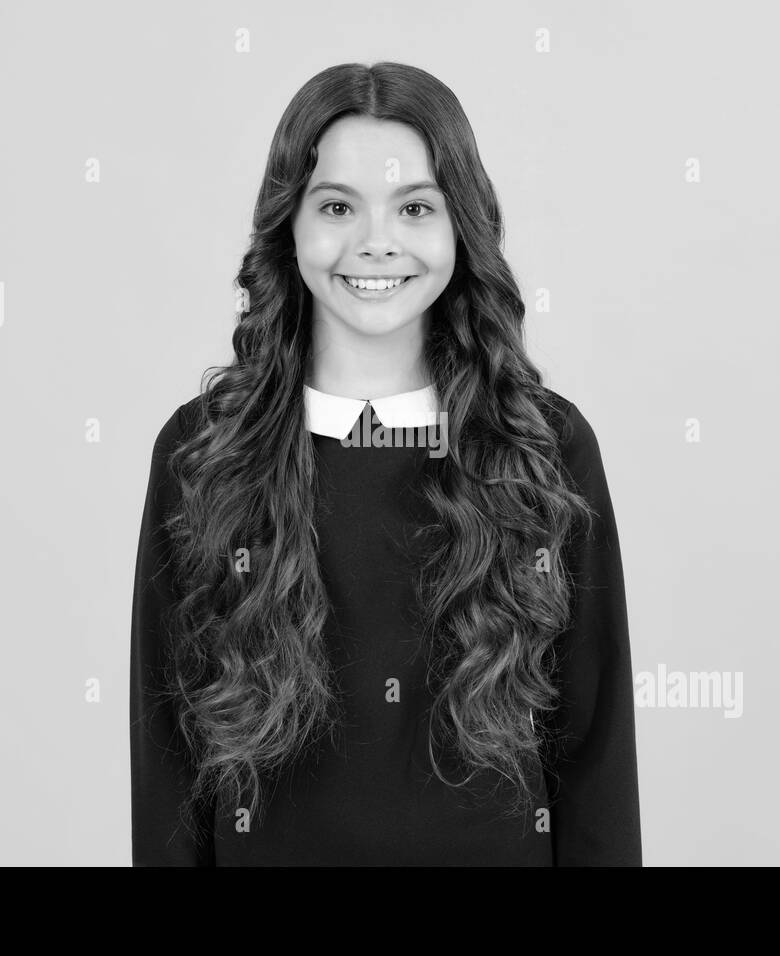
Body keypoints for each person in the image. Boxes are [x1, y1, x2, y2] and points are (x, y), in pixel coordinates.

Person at [130, 61, 641, 866]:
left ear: (459, 227)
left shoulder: (546, 447)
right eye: (337, 206)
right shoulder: (202, 452)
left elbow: (594, 751)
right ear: (287, 226)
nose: (376, 242)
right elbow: (167, 760)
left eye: (414, 207)